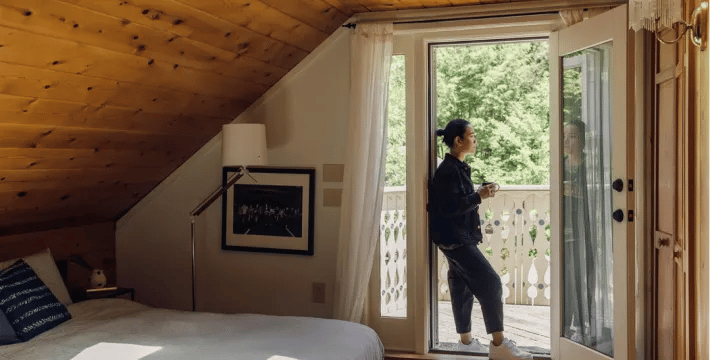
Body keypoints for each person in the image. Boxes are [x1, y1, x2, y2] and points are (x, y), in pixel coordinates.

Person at [429, 119, 532, 360]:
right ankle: (499, 345)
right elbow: (450, 207)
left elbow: (457, 198)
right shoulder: (447, 170)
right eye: (472, 136)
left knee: (461, 287)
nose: (475, 140)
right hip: (456, 238)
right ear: (458, 140)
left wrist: (479, 190)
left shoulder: (457, 167)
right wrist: (479, 195)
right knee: (491, 283)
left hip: (454, 237)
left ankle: (465, 342)